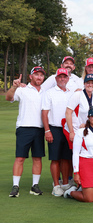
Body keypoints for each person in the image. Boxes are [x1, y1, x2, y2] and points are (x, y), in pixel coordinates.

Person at [7, 67, 46, 197]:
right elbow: (8, 98)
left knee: (37, 158)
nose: (39, 77)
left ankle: (35, 186)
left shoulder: (46, 91)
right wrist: (14, 87)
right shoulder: (22, 89)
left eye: (41, 75)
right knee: (20, 158)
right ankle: (15, 186)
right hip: (24, 127)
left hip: (40, 128)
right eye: (36, 75)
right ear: (30, 76)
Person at [64, 106, 93, 202]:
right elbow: (76, 153)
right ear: (89, 118)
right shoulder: (80, 132)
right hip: (87, 165)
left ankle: (83, 189)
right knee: (89, 199)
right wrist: (76, 173)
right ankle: (71, 192)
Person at [42, 68, 73, 196]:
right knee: (55, 158)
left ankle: (65, 183)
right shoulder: (49, 93)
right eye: (60, 77)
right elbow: (44, 113)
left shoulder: (71, 93)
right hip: (54, 128)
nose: (62, 79)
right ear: (56, 79)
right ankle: (56, 185)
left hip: (67, 128)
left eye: (64, 77)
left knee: (66, 158)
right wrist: (47, 130)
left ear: (68, 78)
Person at [65, 74, 93, 148]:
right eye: (88, 83)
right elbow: (68, 112)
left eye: (92, 83)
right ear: (84, 83)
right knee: (76, 154)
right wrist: (71, 132)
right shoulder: (78, 94)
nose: (90, 85)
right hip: (75, 129)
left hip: (85, 129)